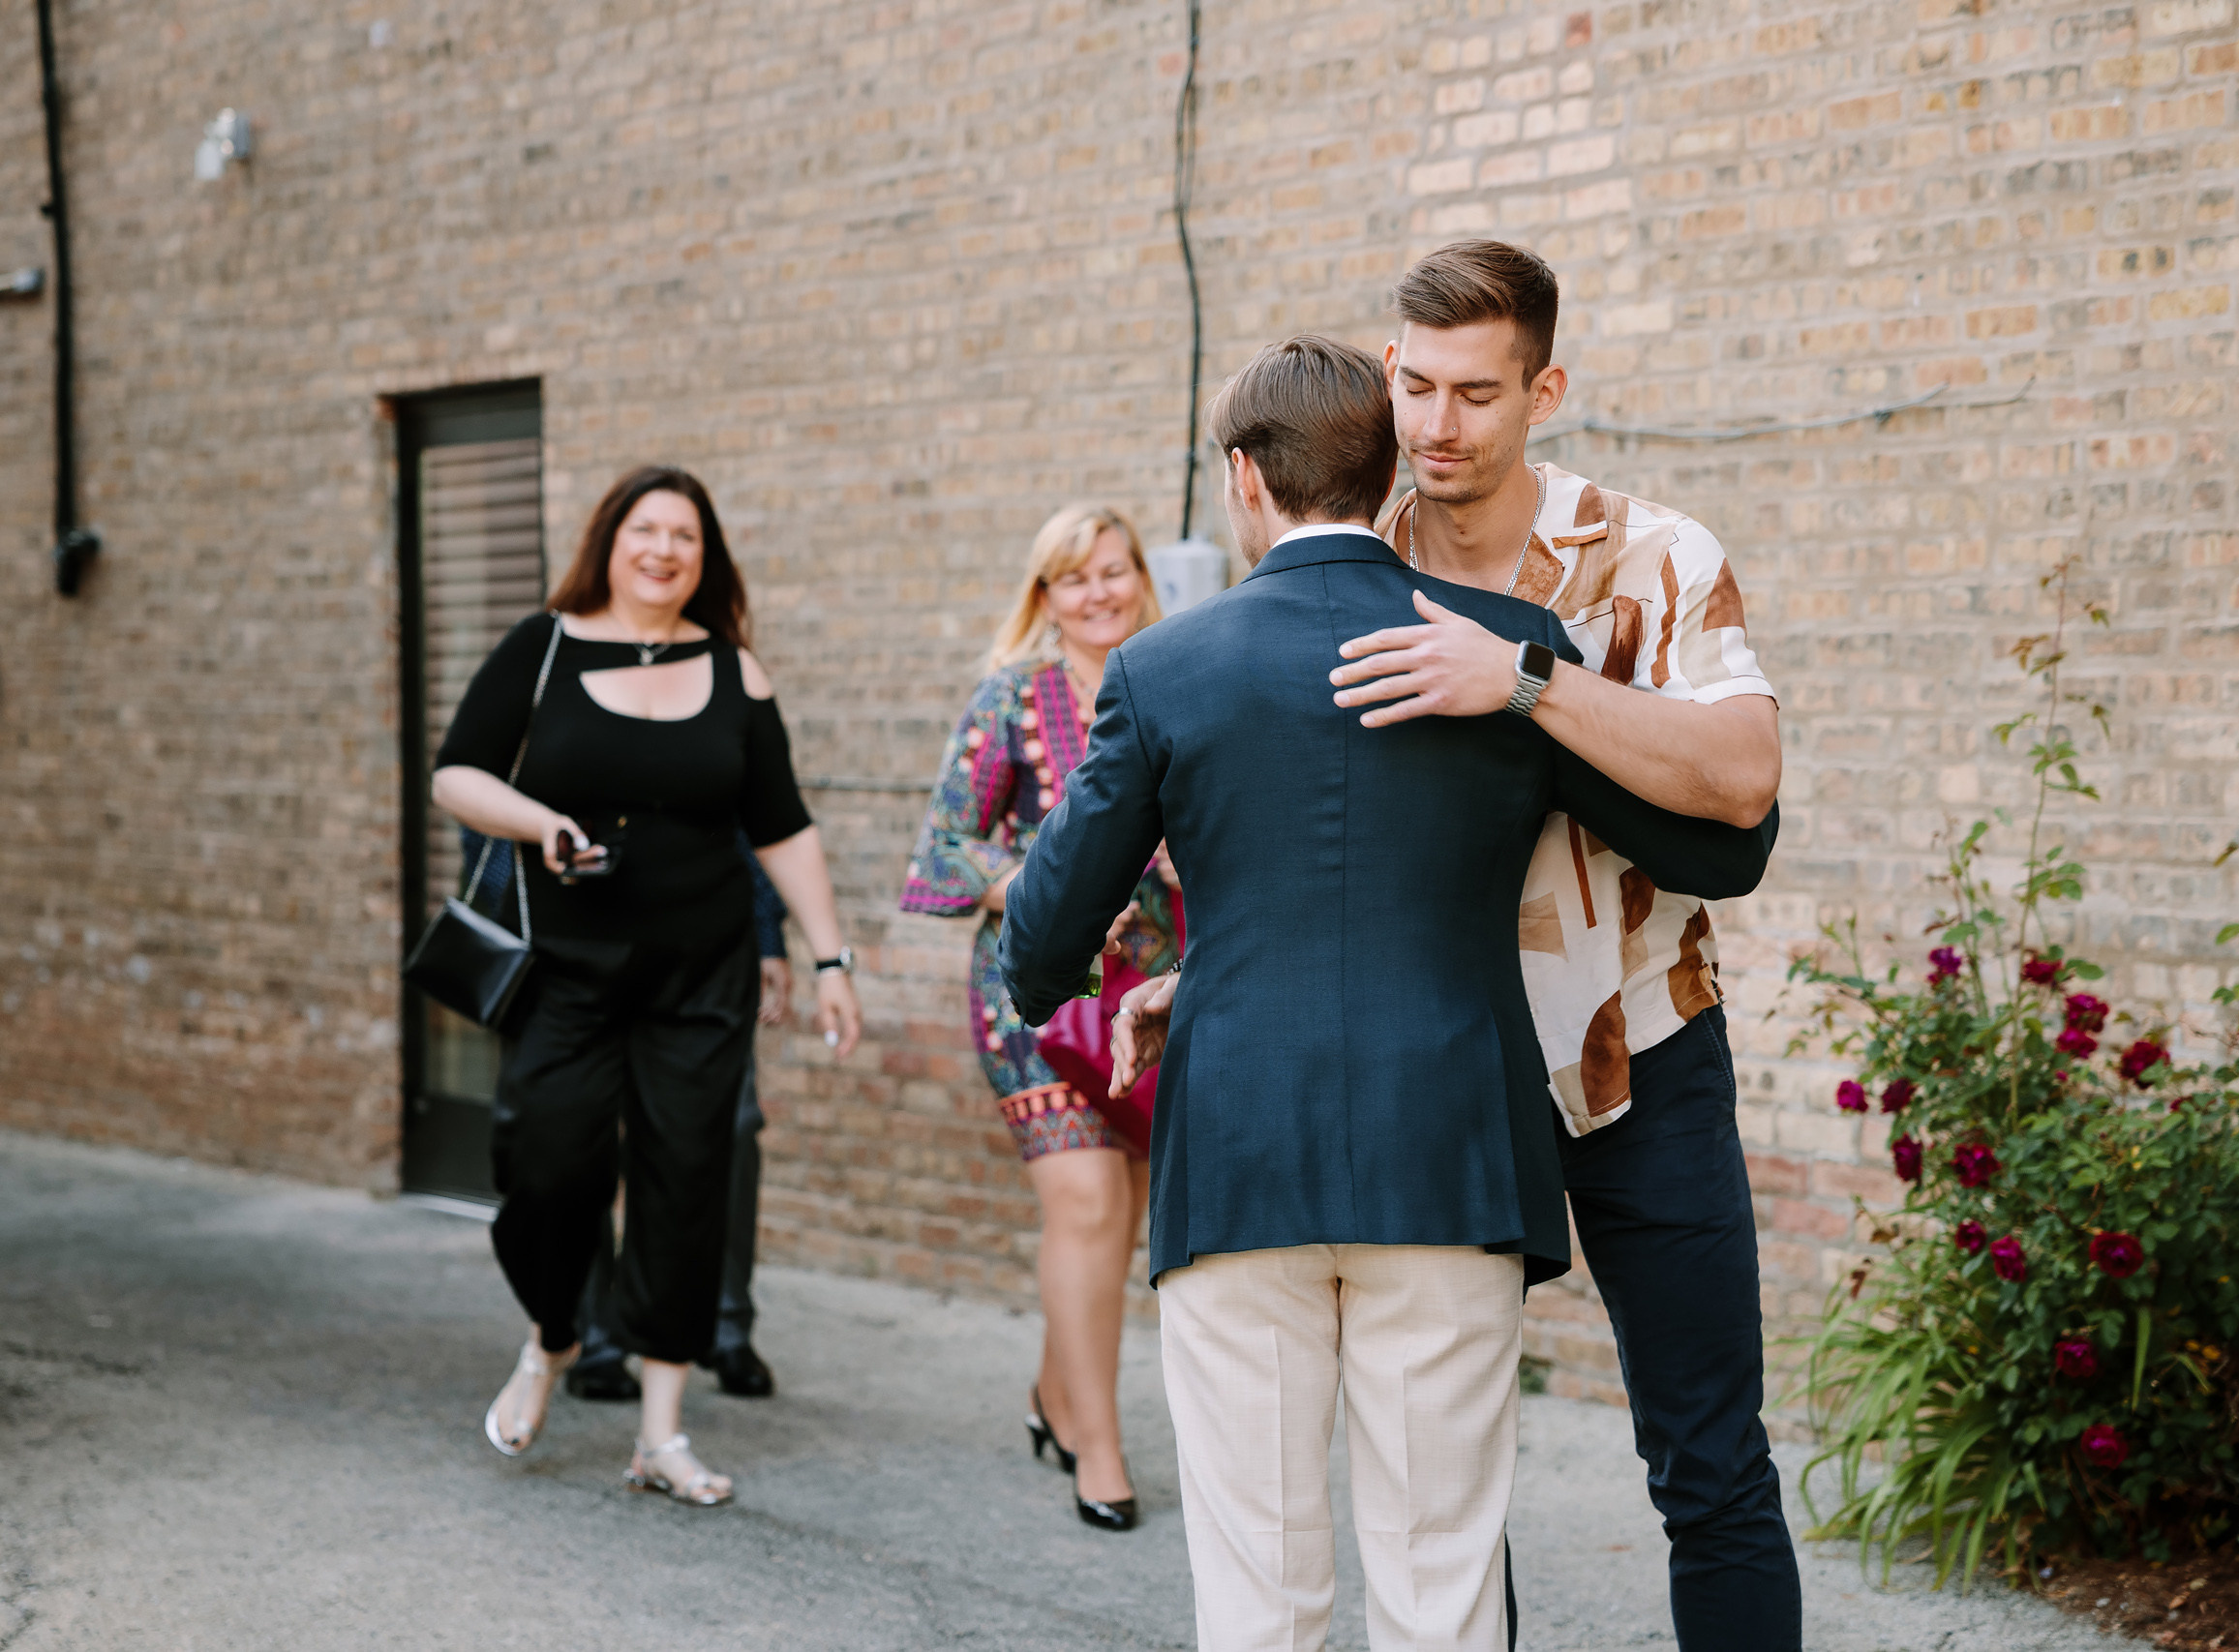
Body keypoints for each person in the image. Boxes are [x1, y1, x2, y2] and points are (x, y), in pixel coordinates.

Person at [1001, 335, 1776, 1652]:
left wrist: (1179, 965)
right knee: (1442, 1583)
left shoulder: (1163, 669)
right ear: (1385, 465)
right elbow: (1719, 849)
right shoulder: (1509, 651)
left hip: (1239, 1155)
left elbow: (1038, 948)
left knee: (1262, 1587)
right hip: (1452, 1157)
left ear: (1246, 480)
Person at [433, 464, 862, 1508]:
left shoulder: (735, 671)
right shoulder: (542, 646)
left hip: (699, 971)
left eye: (686, 537)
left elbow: (782, 826)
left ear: (704, 560)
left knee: (683, 1184)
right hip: (569, 967)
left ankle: (661, 1436)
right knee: (544, 1159)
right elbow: (457, 773)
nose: (665, 550)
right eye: (646, 530)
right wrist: (542, 824)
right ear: (610, 541)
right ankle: (551, 1337)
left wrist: (831, 956)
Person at [897, 503, 1180, 1531]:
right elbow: (943, 845)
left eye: (1113, 571)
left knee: (1120, 1213)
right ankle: (1094, 1448)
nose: (1098, 592)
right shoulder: (1009, 697)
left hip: (1147, 990)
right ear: (1045, 595)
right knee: (1088, 1206)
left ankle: (1051, 1394)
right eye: (1075, 578)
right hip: (1029, 989)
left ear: (1141, 577)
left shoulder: (1171, 682)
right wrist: (1038, 883)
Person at [566, 837, 793, 1401]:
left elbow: (753, 820)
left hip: (706, 947)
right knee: (583, 1132)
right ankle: (596, 1334)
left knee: (736, 1127)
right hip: (583, 942)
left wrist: (769, 937)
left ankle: (727, 1324)